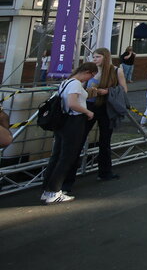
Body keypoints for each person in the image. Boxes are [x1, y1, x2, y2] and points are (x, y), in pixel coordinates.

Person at [40, 62, 97, 204]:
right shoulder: (76, 84)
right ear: (87, 72)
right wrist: (87, 111)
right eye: (91, 75)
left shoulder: (66, 82)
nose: (89, 79)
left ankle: (48, 189)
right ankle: (54, 191)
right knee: (67, 157)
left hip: (63, 121)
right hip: (74, 121)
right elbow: (72, 103)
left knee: (57, 155)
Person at [76, 47, 127, 184]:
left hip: (106, 107)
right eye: (94, 57)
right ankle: (70, 173)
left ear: (105, 57)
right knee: (79, 138)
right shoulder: (91, 71)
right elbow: (80, 85)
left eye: (98, 57)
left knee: (105, 141)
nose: (95, 59)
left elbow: (124, 90)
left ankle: (105, 172)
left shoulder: (116, 71)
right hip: (89, 106)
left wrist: (107, 91)